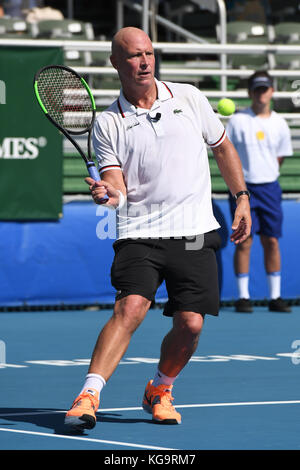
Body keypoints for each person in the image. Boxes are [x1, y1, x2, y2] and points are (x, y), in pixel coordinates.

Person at [64, 26, 251, 430]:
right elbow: (117, 187)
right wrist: (106, 195)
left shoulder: (188, 96)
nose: (144, 61)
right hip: (139, 231)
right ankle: (89, 394)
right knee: (130, 307)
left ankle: (160, 389)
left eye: (148, 52)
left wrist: (241, 197)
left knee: (191, 323)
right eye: (133, 55)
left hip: (194, 230)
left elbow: (221, 147)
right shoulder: (107, 123)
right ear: (116, 63)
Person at [226, 71, 293, 313]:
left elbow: (280, 157)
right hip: (244, 188)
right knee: (244, 240)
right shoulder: (237, 120)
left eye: (265, 89)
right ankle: (243, 297)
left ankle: (275, 296)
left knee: (271, 240)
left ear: (272, 92)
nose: (261, 94)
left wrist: (267, 173)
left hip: (270, 187)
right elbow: (227, 153)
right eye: (257, 89)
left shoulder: (280, 123)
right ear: (250, 92)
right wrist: (240, 185)